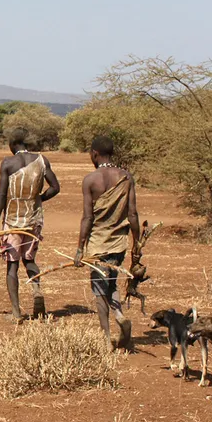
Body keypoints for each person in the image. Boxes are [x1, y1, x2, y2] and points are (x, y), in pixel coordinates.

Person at [74, 135, 141, 349]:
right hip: (119, 242)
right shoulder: (126, 177)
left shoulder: (91, 180)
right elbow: (132, 214)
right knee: (111, 282)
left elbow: (87, 217)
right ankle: (119, 315)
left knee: (99, 290)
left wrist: (79, 248)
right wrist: (136, 243)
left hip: (97, 244)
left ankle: (105, 338)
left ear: (94, 153)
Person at [0, 130, 60, 322]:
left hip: (12, 221)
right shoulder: (42, 160)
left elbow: (1, 196)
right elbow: (55, 187)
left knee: (12, 266)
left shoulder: (8, 163)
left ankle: (16, 313)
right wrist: (38, 200)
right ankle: (36, 290)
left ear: (12, 145)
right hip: (34, 219)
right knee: (29, 260)